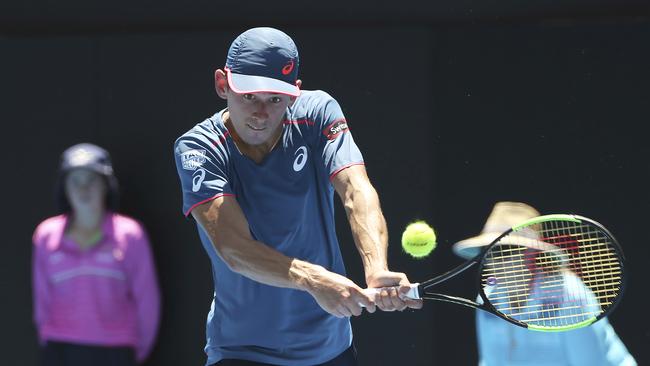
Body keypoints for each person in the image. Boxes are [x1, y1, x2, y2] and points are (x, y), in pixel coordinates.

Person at [173, 27, 422, 366]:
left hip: (331, 349)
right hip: (241, 352)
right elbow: (233, 247)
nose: (261, 113)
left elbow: (355, 189)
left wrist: (376, 267)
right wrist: (313, 279)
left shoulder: (318, 113)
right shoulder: (199, 148)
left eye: (275, 99)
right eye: (249, 96)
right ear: (222, 84)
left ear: (294, 94)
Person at [452, 201, 637, 366]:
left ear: (531, 254)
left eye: (504, 250)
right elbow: (491, 362)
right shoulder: (488, 297)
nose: (493, 260)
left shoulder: (570, 296)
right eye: (487, 251)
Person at [32, 143, 161, 366]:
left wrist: (134, 352)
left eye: (91, 180)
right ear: (65, 187)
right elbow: (42, 301)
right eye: (75, 181)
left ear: (106, 185)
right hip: (59, 350)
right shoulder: (45, 235)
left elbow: (147, 300)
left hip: (116, 351)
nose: (84, 189)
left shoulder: (131, 234)